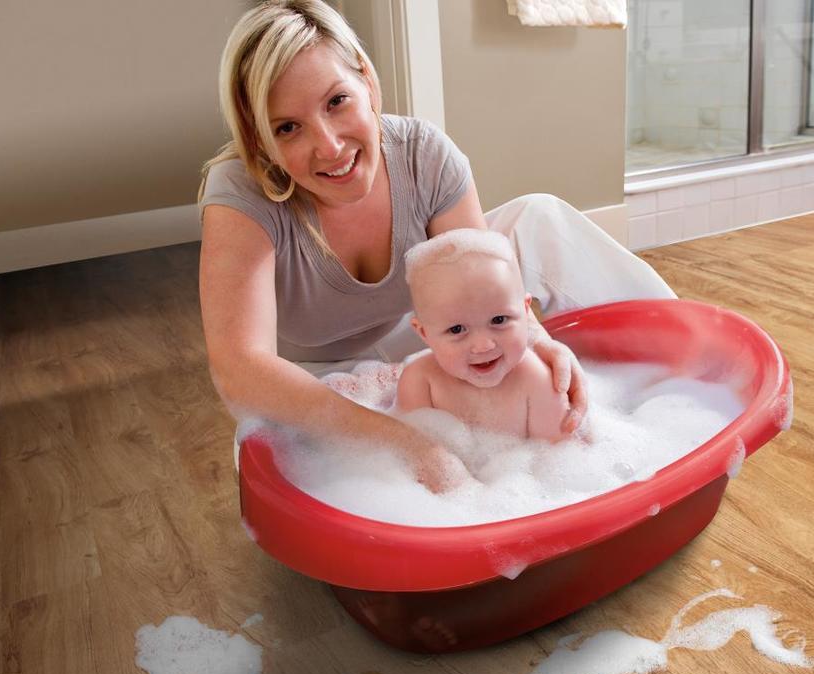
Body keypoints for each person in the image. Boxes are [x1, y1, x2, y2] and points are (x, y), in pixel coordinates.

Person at [197, 0, 674, 491]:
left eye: (337, 101)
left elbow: (479, 287)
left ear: (367, 81)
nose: (330, 145)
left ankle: (678, 362)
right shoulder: (240, 192)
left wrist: (540, 340)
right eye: (288, 128)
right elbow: (240, 368)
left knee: (539, 217)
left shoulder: (422, 153)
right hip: (320, 376)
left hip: (433, 334)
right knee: (303, 474)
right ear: (259, 140)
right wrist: (405, 440)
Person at [397, 230, 571, 441]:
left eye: (499, 320)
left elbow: (555, 458)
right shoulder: (420, 381)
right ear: (424, 333)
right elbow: (412, 454)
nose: (483, 346)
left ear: (526, 311)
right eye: (457, 329)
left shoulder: (538, 380)